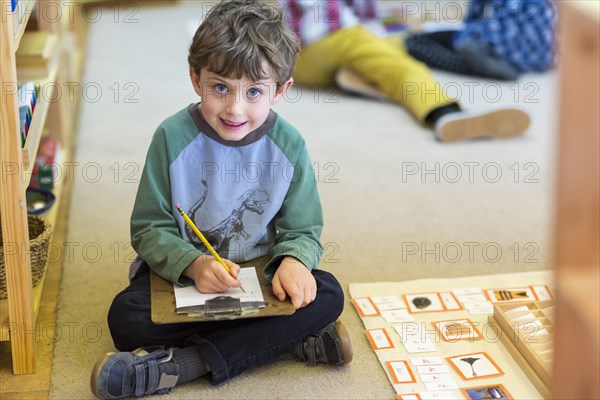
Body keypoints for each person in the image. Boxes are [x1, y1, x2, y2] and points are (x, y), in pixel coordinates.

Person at [90, 1, 352, 398]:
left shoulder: (290, 144)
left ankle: (183, 366)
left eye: (254, 92)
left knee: (328, 293)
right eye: (219, 87)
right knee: (126, 319)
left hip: (261, 281)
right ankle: (281, 342)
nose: (234, 107)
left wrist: (295, 261)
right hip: (186, 281)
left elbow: (303, 229)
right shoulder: (170, 137)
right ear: (195, 79)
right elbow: (148, 228)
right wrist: (194, 265)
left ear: (281, 91)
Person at [279, 0, 531, 142]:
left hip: (304, 60)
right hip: (325, 40)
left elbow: (366, 13)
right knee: (401, 66)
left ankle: (357, 76)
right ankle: (443, 112)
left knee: (393, 42)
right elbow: (355, 18)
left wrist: (400, 21)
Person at [405, 0, 557, 81]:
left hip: (501, 49)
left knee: (414, 43)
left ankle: (494, 68)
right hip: (544, 57)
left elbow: (472, 19)